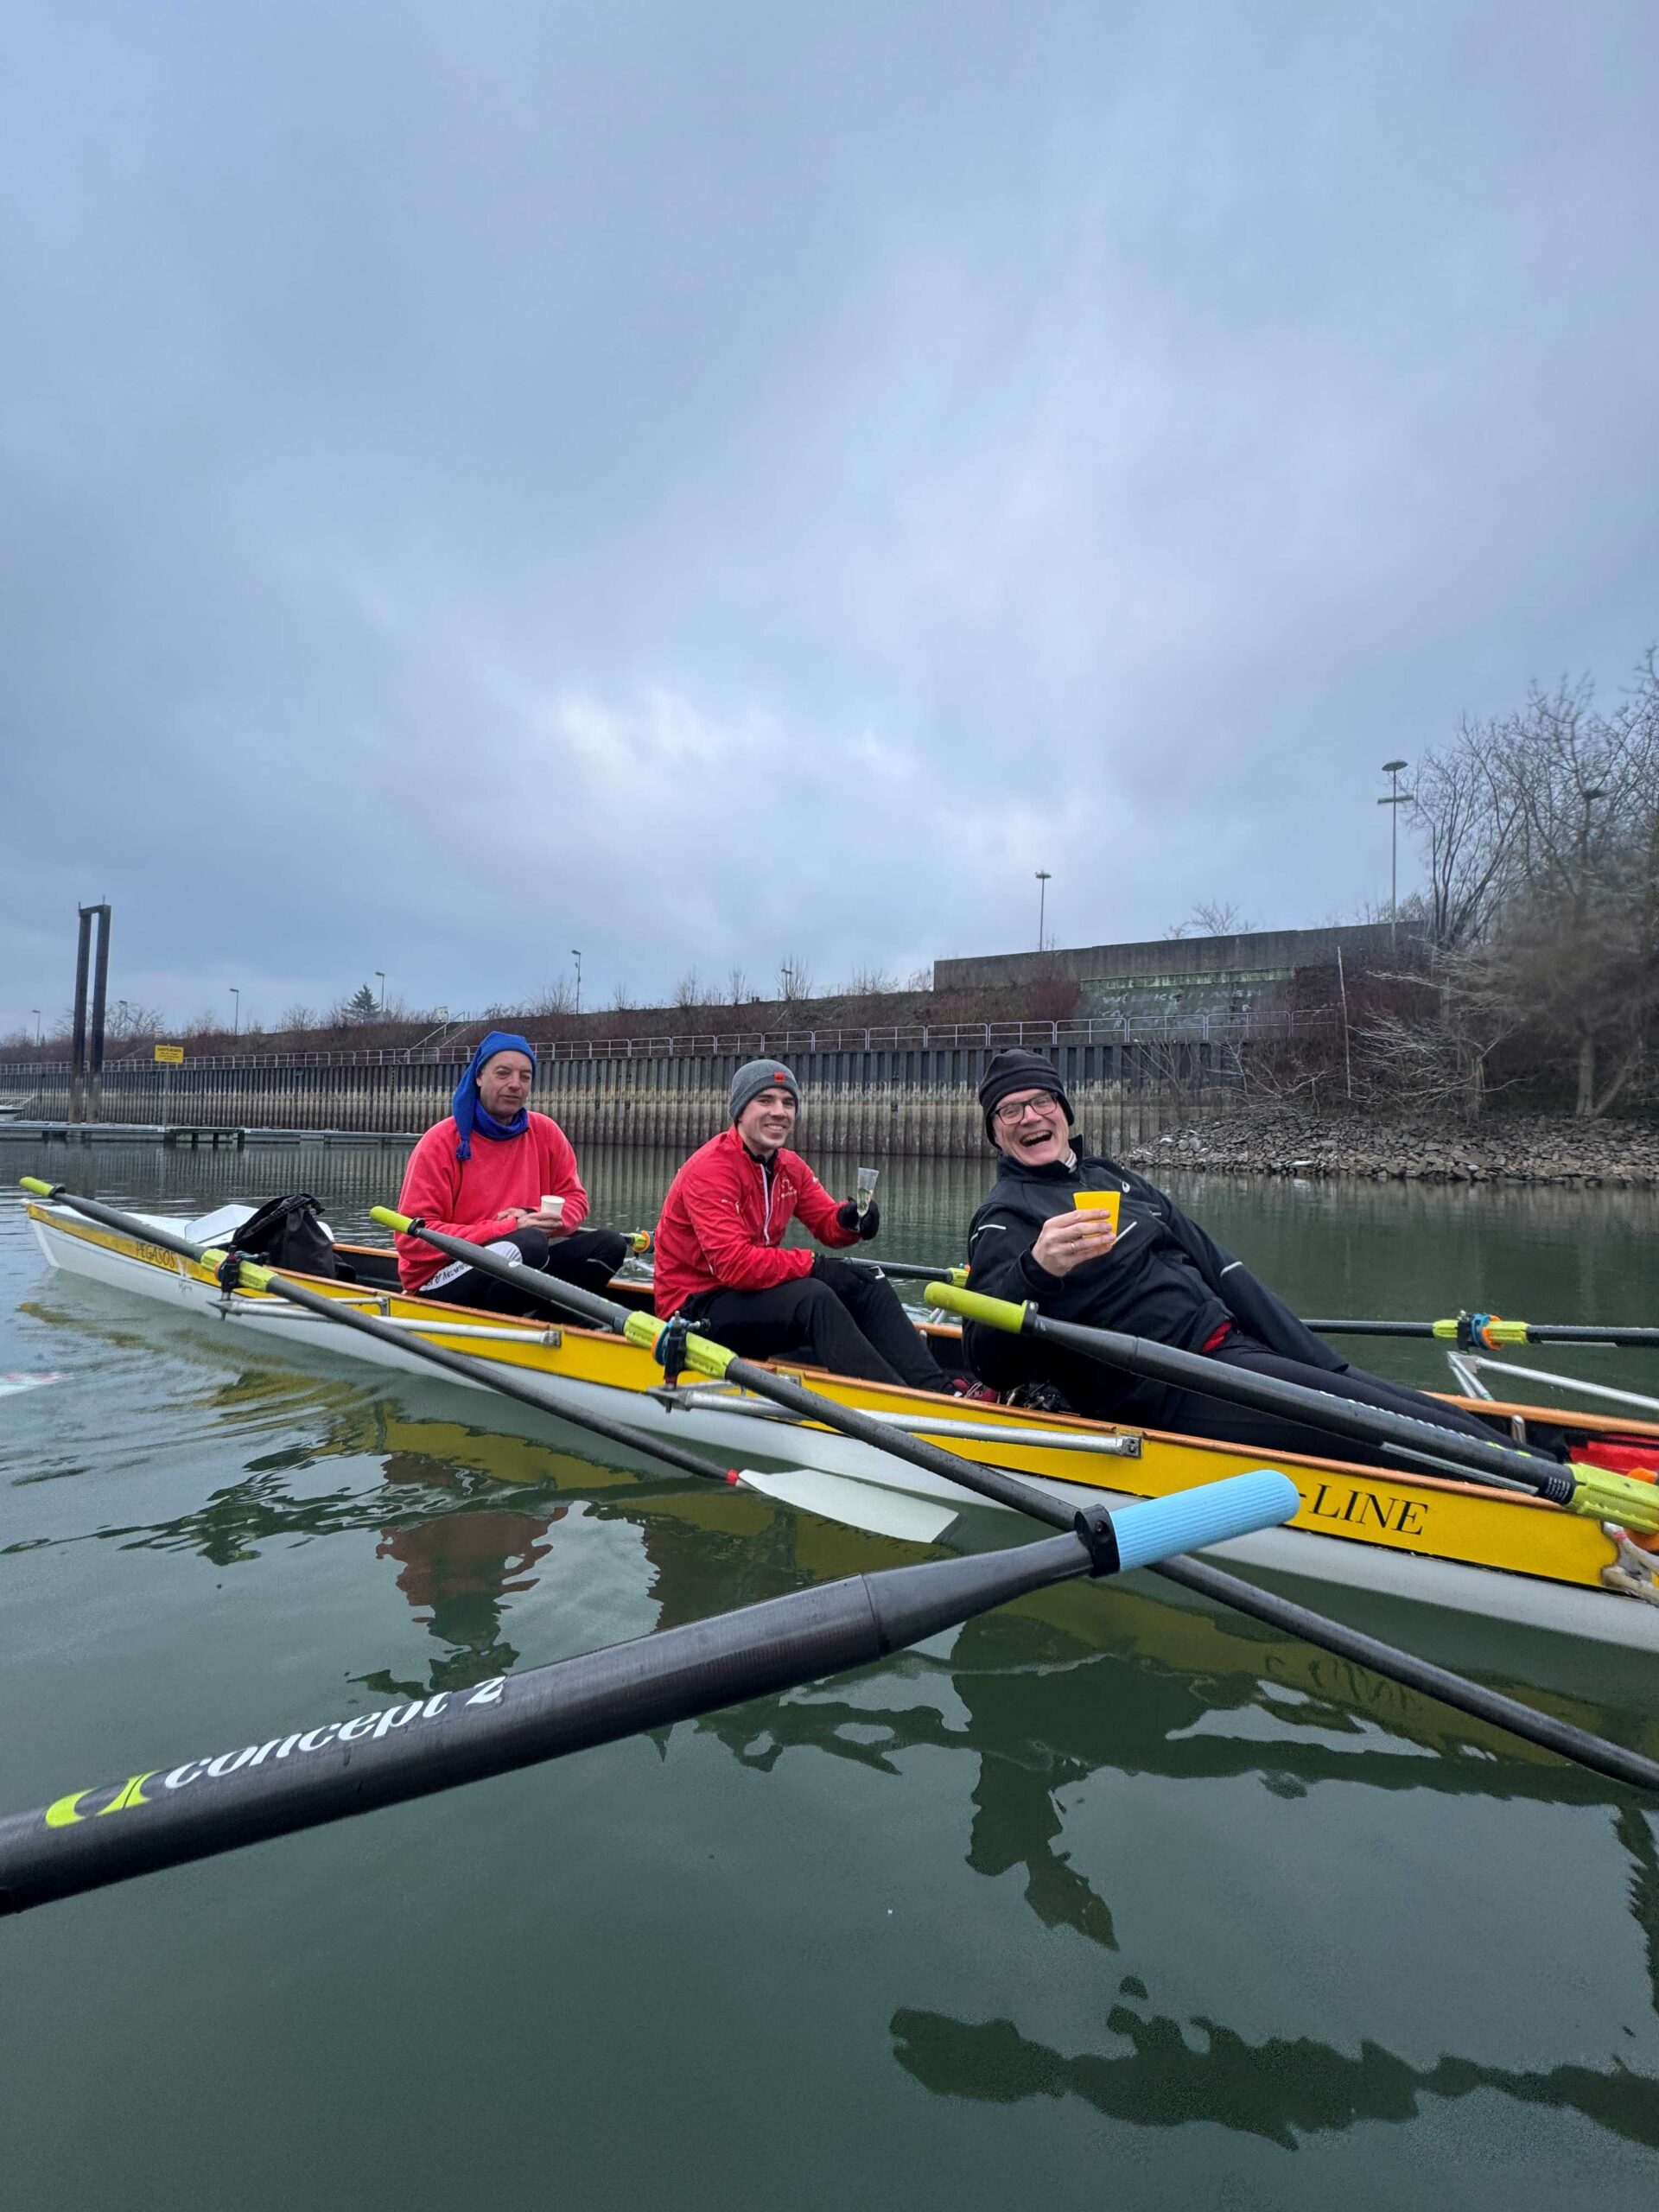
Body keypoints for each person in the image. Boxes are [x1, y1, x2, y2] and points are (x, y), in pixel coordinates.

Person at [959, 1048, 1554, 1466]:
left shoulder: (1113, 1178)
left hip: (1228, 1347)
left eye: (1041, 1101)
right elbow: (987, 1358)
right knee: (1377, 1429)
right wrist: (1036, 1270)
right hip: (1163, 1385)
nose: (1030, 1116)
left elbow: (1218, 1264)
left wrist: (1321, 1361)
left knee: (1395, 1403)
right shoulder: (1004, 1218)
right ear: (996, 1132)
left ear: (1064, 1110)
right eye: (1010, 1110)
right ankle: (1538, 1485)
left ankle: (1539, 1460)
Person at [652, 1059, 950, 1390]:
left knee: (869, 1282)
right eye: (765, 1100)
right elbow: (734, 1265)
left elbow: (827, 1223)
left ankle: (939, 1390)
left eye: (788, 1103)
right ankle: (892, 1402)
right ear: (739, 1111)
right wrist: (814, 1266)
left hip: (748, 1293)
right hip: (693, 1309)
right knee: (814, 1297)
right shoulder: (711, 1169)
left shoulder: (788, 1166)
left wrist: (851, 1220)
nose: (780, 1112)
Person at [394, 1030, 626, 1313]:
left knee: (610, 1245)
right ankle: (510, 1322)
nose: (515, 1084)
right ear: (479, 1077)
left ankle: (553, 1323)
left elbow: (575, 1200)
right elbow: (411, 1239)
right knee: (530, 1244)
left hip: (520, 1254)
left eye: (524, 1077)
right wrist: (509, 1228)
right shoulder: (441, 1141)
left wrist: (534, 1215)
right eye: (503, 1074)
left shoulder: (546, 1132)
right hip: (440, 1276)